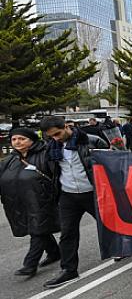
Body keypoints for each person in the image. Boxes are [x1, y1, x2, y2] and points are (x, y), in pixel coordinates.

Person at [39, 116, 109, 288]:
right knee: (68, 233)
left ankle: (120, 248)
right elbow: (50, 171)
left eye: (57, 133)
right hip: (68, 195)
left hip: (93, 192)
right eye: (51, 136)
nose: (56, 138)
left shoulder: (92, 141)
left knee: (107, 224)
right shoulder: (51, 148)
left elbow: (112, 161)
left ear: (66, 126)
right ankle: (69, 270)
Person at [0, 128, 61, 277]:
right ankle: (54, 252)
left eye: (22, 138)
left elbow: (57, 176)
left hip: (41, 201)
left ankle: (30, 264)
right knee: (37, 229)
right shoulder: (9, 160)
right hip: (17, 204)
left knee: (37, 230)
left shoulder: (45, 154)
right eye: (14, 139)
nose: (17, 142)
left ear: (32, 140)